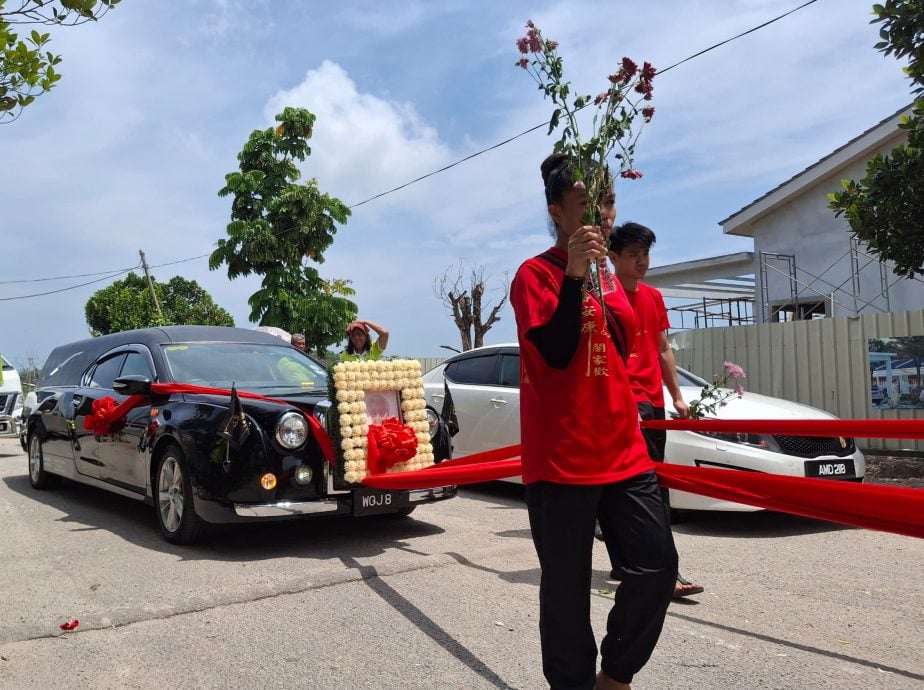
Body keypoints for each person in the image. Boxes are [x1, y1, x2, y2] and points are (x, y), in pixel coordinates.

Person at [510, 153, 677, 690]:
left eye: (607, 202)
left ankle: (616, 676)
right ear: (557, 211)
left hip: (623, 448)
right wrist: (576, 272)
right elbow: (556, 352)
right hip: (561, 457)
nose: (602, 215)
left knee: (656, 569)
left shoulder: (611, 277)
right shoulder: (534, 274)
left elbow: (626, 351)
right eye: (587, 203)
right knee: (566, 591)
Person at [608, 221, 705, 600]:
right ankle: (666, 572)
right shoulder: (604, 295)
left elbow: (664, 349)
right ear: (613, 258)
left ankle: (628, 563)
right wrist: (620, 405)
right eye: (633, 255)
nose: (642, 262)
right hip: (623, 404)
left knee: (643, 485)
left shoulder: (652, 297)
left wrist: (677, 396)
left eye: (645, 254)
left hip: (653, 404)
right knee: (645, 492)